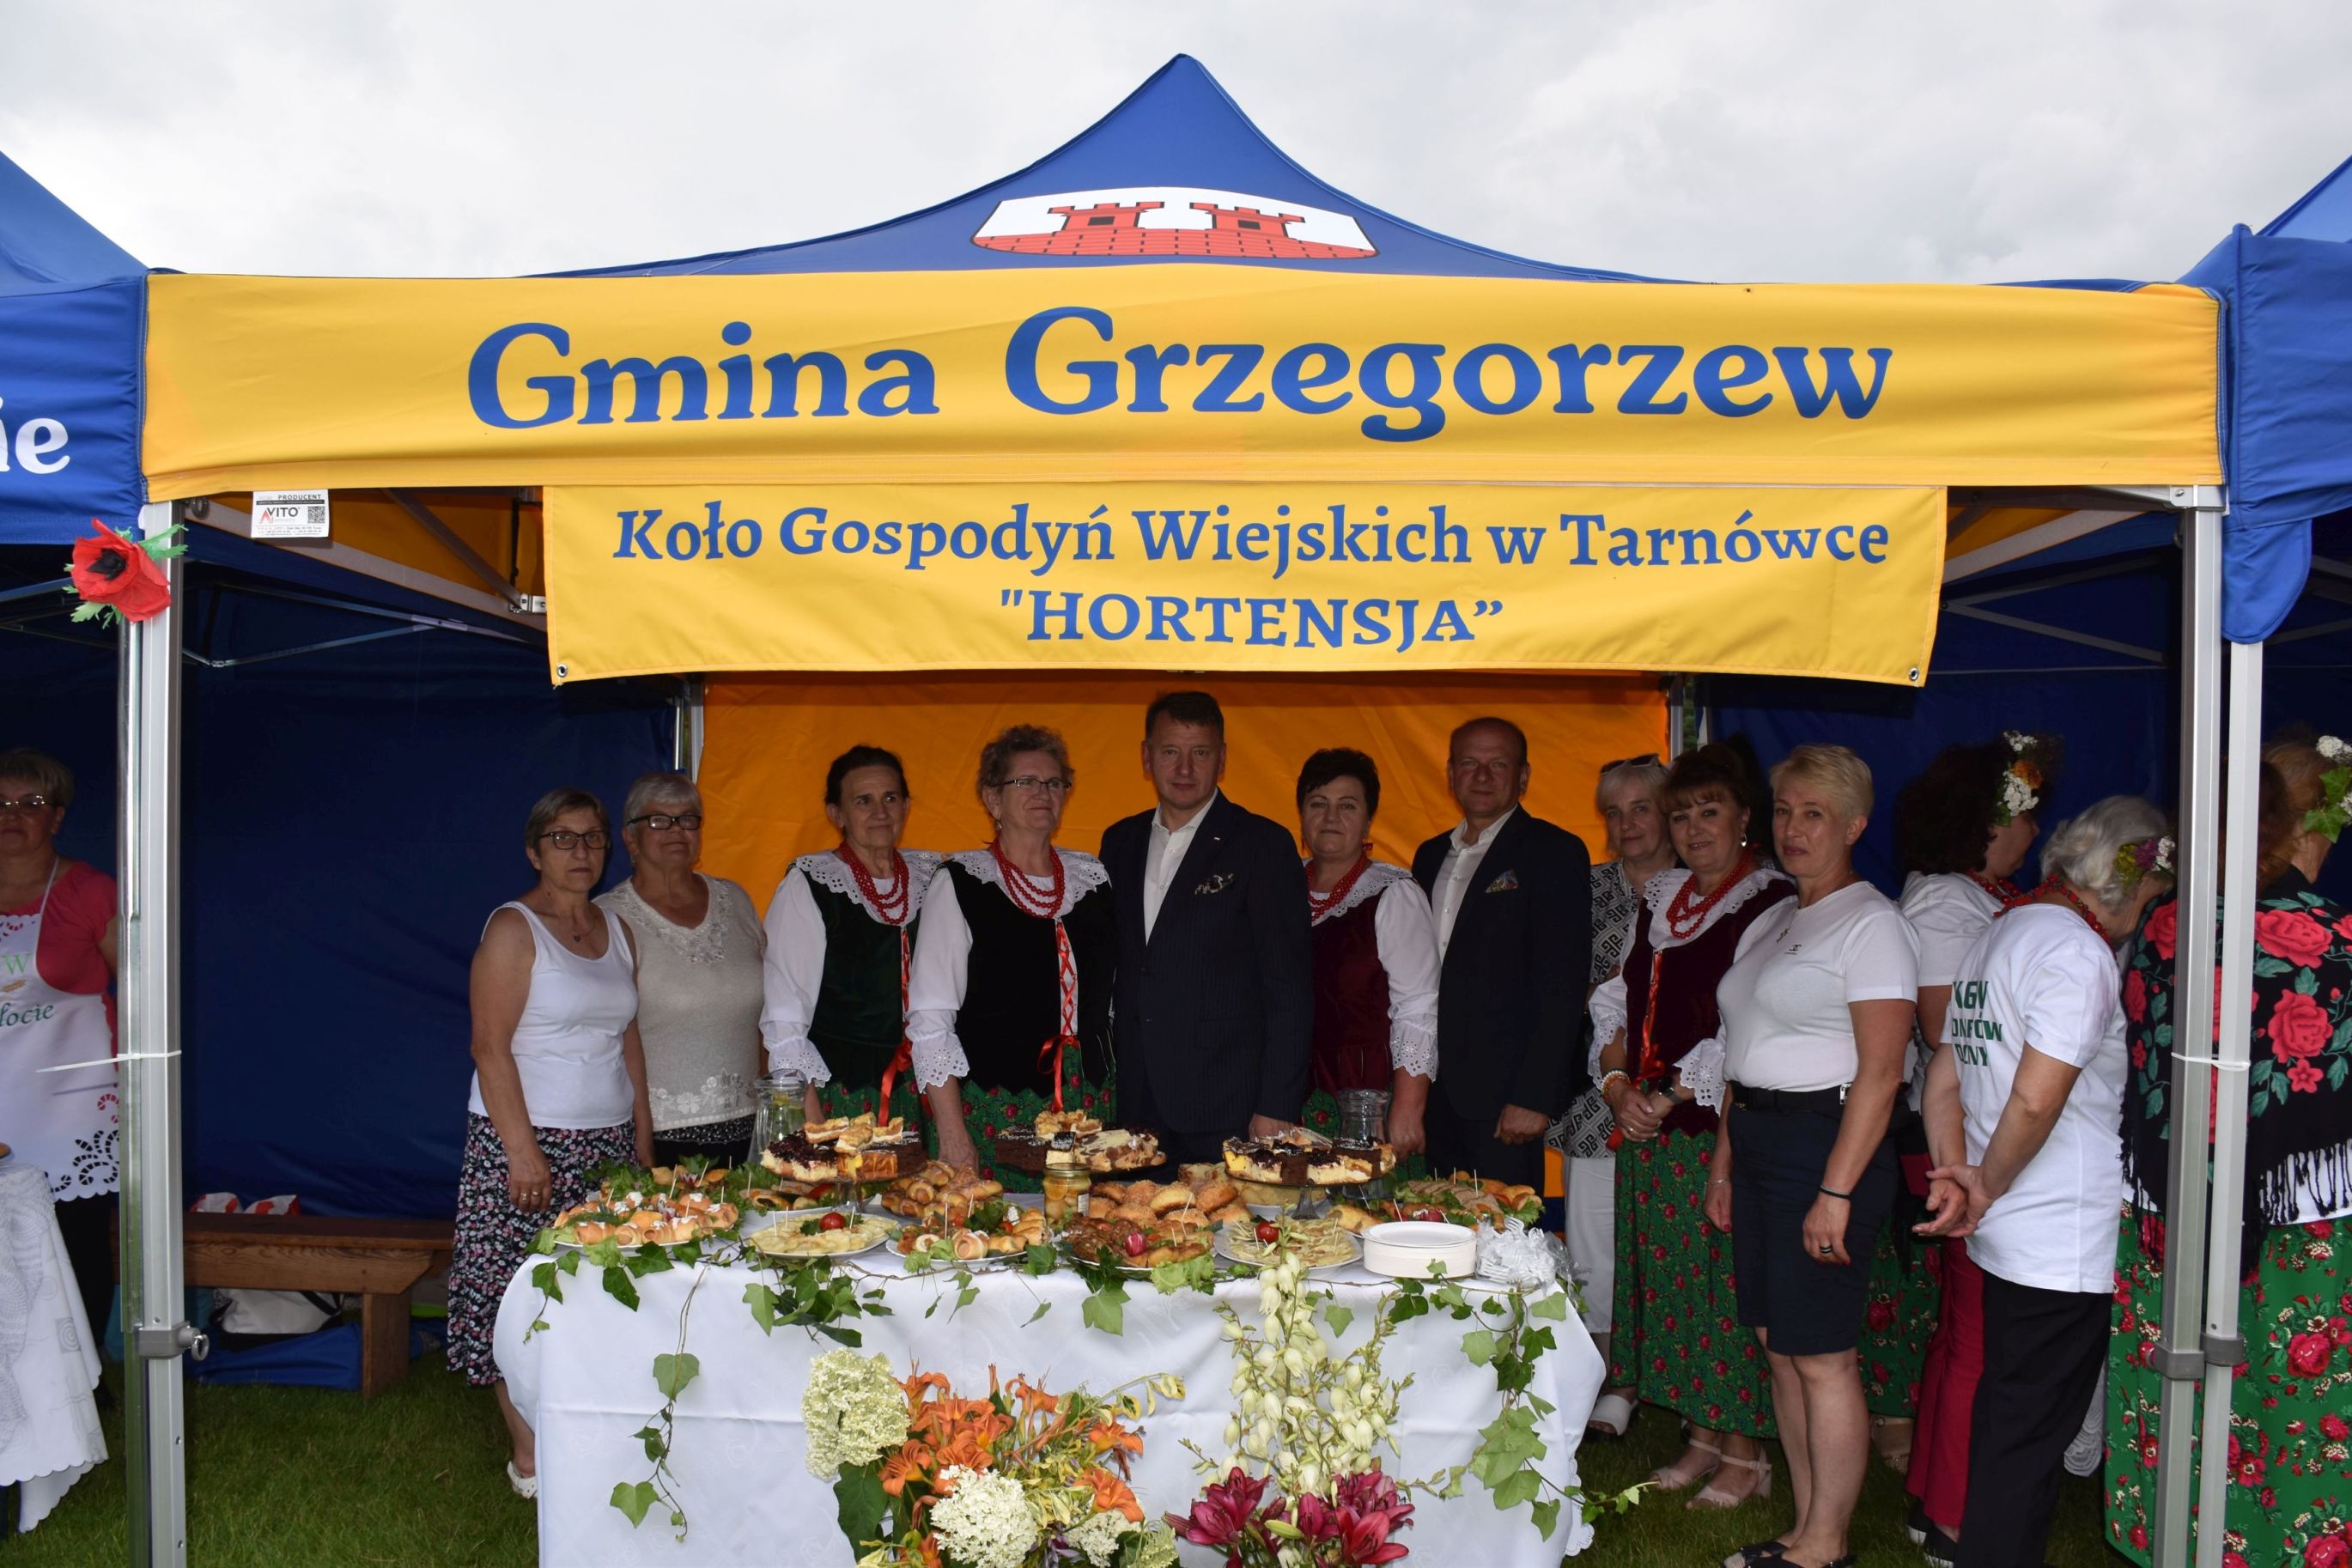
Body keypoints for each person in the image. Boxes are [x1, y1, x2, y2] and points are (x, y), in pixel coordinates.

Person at [2106, 737, 2352, 1568]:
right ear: (2303, 827)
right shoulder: (2332, 937)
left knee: (2185, 1385)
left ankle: (2179, 1538)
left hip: (2174, 1200)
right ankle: (2291, 1544)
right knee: (2291, 1391)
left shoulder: (2165, 924)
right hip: (2298, 1216)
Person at [1915, 796, 2172, 1568]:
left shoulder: (2003, 930)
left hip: (2009, 1229)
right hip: (2060, 1232)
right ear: (2129, 883)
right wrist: (1981, 1184)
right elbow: (2034, 1098)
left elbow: (1941, 1081)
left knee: (2008, 1417)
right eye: (2153, 896)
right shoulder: (2075, 953)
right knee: (2025, 1436)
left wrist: (1959, 1178)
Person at [1713, 744, 1917, 1568]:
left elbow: (1882, 1071)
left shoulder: (1873, 925)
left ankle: (1826, 1545)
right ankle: (1804, 1527)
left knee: (1823, 1355)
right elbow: (1741, 1053)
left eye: (1814, 815)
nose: (1792, 829)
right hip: (1760, 1140)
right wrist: (1724, 1162)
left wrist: (1835, 1191)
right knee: (1779, 1346)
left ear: (1855, 825)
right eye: (1783, 811)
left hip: (1826, 1147)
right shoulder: (1775, 918)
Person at [1593, 744, 1793, 1505]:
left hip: (1714, 1128)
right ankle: (1703, 1437)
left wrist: (1668, 1096)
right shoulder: (1664, 896)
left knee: (1718, 1288)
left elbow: (1742, 1020)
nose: (1693, 828)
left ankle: (1747, 1454)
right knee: (1670, 1288)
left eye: (1710, 811)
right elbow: (1615, 998)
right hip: (1648, 1124)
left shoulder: (1769, 901)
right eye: (1680, 815)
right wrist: (1616, 1085)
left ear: (1744, 818)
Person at [449, 787, 653, 1498]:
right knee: (514, 1300)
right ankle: (529, 1455)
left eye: (592, 837)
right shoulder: (513, 929)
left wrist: (642, 1142)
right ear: (534, 852)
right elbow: (488, 1046)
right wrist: (522, 1151)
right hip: (526, 1143)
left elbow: (629, 1041)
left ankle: (583, 1434)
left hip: (607, 1146)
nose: (580, 851)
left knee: (592, 1299)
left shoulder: (618, 930)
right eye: (563, 838)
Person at [1894, 733, 2064, 1554]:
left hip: (1972, 1128)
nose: (2033, 833)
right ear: (1987, 821)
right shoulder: (1943, 903)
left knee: (1967, 1329)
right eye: (2026, 816)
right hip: (1956, 1136)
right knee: (1975, 1334)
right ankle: (1952, 1514)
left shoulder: (1978, 896)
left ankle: (1934, 1494)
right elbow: (1944, 1028)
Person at [1101, 691, 1312, 1163]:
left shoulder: (1262, 843)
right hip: (1137, 1104)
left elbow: (1289, 986)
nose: (1184, 768)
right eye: (1170, 751)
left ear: (1222, 759)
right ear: (1146, 757)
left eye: (1200, 752)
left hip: (1228, 1104)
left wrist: (1277, 1105)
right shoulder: (1119, 841)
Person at [911, 725, 1115, 1176]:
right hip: (997, 1107)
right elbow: (930, 1020)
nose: (1043, 792)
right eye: (1025, 781)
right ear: (992, 799)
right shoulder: (961, 882)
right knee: (1003, 1218)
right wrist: (951, 1132)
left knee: (1086, 1217)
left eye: (1054, 782)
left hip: (1088, 1106)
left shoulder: (1092, 878)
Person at [1411, 716, 1592, 1190]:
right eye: (1470, 763)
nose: (1482, 776)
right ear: (1450, 773)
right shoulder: (1429, 856)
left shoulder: (1553, 851)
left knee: (1506, 1228)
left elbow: (1562, 983)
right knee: (1432, 1222)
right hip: (1430, 1092)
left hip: (1505, 1101)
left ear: (1523, 776)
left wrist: (1535, 1095)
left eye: (1498, 764)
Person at [1565, 751, 1677, 1438]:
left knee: (1669, 1240)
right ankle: (1611, 1377)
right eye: (1614, 812)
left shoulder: (1703, 885)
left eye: (1641, 808)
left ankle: (1673, 1374)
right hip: (1595, 1091)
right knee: (1591, 1243)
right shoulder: (1580, 888)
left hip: (1683, 1095)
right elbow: (1552, 982)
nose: (1627, 823)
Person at [0, 748, 119, 1346]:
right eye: (0, 803)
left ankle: (84, 1376)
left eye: (31, 803)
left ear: (57, 817)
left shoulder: (91, 892)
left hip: (69, 1104)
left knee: (76, 1243)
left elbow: (144, 993)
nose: (11, 815)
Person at [762, 746, 943, 1133]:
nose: (881, 812)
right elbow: (785, 1016)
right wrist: (814, 1125)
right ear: (836, 814)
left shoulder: (933, 875)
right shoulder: (811, 883)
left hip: (929, 1090)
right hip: (844, 1095)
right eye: (863, 801)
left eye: (890, 798)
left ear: (906, 806)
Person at [596, 772, 764, 1167]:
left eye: (688, 819)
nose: (676, 830)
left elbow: (769, 1021)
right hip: (657, 1138)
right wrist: (641, 1145)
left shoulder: (736, 900)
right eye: (658, 820)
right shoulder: (606, 917)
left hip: (751, 1133)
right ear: (629, 837)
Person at [1291, 748, 1438, 1160]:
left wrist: (1408, 1107)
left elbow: (1418, 1006)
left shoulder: (1393, 894)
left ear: (1368, 819)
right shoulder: (1279, 886)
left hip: (1364, 1096)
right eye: (1318, 803)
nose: (1331, 817)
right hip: (1286, 1094)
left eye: (1347, 805)